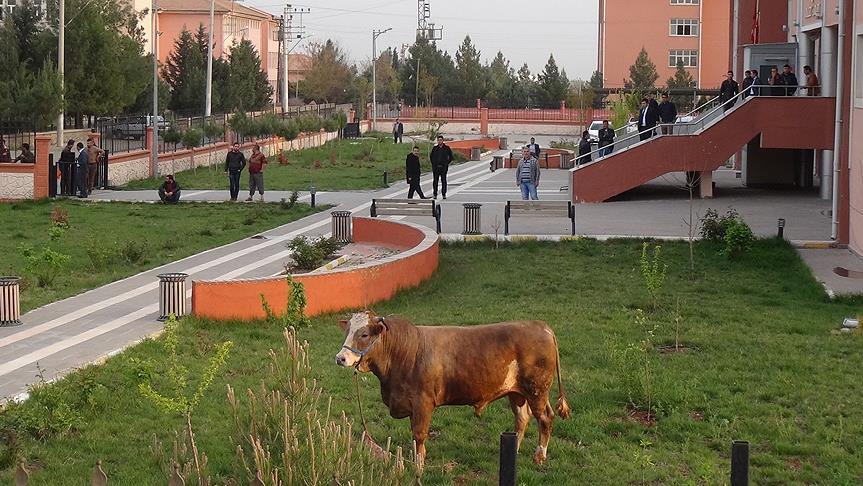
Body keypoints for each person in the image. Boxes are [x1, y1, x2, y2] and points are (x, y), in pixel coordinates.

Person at [429, 135, 453, 199]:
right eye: (438, 140)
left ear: (443, 140)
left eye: (441, 140)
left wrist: (446, 163)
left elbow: (451, 157)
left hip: (443, 167)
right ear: (437, 141)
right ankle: (435, 194)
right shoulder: (435, 148)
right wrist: (433, 164)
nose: (440, 141)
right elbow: (431, 157)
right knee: (435, 181)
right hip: (436, 167)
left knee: (444, 181)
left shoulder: (447, 148)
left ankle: (444, 194)